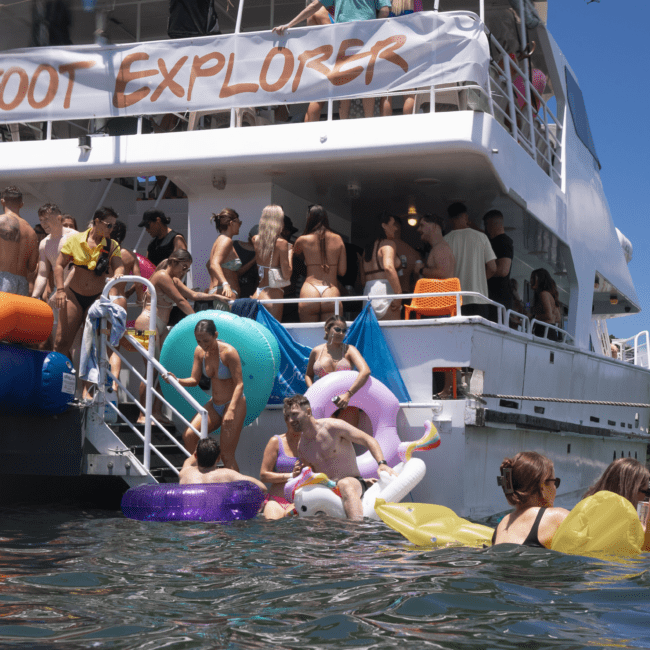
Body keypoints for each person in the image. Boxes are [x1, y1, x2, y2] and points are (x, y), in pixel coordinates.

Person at [272, 0, 391, 122]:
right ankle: (369, 123)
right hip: (367, 38)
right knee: (366, 84)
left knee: (344, 84)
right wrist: (374, 28)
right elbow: (385, 10)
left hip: (343, 39)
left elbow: (314, 6)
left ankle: (343, 126)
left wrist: (289, 25)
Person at [284, 394, 398, 520]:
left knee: (345, 484)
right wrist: (298, 474)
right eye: (288, 416)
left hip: (350, 482)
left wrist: (382, 463)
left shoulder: (333, 427)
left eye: (294, 414)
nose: (290, 420)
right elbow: (312, 475)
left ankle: (357, 533)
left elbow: (368, 440)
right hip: (327, 489)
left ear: (308, 411)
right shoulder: (302, 446)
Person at [133, 250, 214, 424]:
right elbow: (181, 301)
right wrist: (197, 321)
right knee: (151, 370)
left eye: (188, 269)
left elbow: (193, 295)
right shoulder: (162, 275)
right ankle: (142, 414)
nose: (184, 272)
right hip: (147, 322)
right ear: (174, 262)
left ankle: (156, 412)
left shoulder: (174, 280)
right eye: (183, 267)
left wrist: (216, 295)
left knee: (164, 370)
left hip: (159, 326)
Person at [166, 319, 246, 471]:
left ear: (215, 335)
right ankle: (204, 474)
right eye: (198, 340)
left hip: (234, 404)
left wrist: (230, 410)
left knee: (227, 455)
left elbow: (239, 384)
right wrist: (177, 380)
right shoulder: (199, 351)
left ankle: (239, 490)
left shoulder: (229, 352)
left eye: (206, 340)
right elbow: (194, 380)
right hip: (215, 404)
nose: (202, 344)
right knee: (189, 436)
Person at [53, 207, 125, 359]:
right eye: (109, 225)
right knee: (61, 343)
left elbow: (119, 266)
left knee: (91, 347)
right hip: (73, 296)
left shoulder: (111, 245)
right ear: (97, 222)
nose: (111, 229)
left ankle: (88, 383)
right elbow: (59, 265)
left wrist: (117, 275)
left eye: (114, 226)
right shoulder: (75, 240)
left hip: (96, 298)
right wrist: (60, 290)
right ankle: (62, 379)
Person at [492, 451, 569, 548]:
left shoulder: (502, 524)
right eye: (555, 482)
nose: (555, 488)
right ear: (542, 486)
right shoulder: (556, 517)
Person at [305, 315, 370, 426]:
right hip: (323, 400)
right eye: (337, 329)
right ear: (327, 329)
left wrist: (348, 395)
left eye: (344, 331)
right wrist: (313, 391)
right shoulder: (316, 351)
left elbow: (365, 371)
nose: (341, 333)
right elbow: (308, 375)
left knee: (348, 440)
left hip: (347, 401)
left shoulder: (350, 350)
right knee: (327, 440)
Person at [31, 203, 77, 349]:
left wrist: (60, 290)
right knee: (58, 342)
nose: (43, 224)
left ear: (58, 218)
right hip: (60, 294)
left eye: (46, 219)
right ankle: (66, 372)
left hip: (77, 291)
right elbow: (42, 274)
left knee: (77, 342)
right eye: (41, 220)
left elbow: (78, 268)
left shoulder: (75, 237)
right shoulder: (44, 243)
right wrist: (34, 297)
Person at [293, 205, 346, 323]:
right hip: (331, 290)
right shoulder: (338, 239)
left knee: (309, 336)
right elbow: (342, 271)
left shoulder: (302, 240)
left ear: (309, 218)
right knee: (331, 336)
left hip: (309, 289)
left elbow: (295, 256)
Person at [444, 202, 496, 319]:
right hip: (478, 298)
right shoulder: (481, 237)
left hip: (454, 299)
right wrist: (479, 279)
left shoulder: (444, 241)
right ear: (466, 217)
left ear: (450, 219)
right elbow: (492, 268)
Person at [179, 438, 267, 492]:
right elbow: (262, 488)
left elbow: (189, 460)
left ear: (195, 455)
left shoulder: (185, 472)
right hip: (216, 521)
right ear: (218, 458)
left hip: (190, 519)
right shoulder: (227, 474)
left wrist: (201, 449)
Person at [252, 205, 292, 321]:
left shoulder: (255, 239)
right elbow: (286, 275)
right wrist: (290, 253)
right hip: (272, 295)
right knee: (272, 334)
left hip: (258, 293)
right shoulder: (282, 243)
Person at [360, 213, 403, 320]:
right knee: (392, 335)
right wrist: (398, 294)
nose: (395, 228)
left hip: (368, 295)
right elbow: (388, 267)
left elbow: (362, 280)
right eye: (393, 224)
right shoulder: (388, 244)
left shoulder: (367, 250)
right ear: (384, 226)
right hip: (385, 294)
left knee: (372, 335)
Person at [259, 412, 301, 519]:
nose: (295, 421)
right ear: (286, 419)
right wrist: (291, 475)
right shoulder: (276, 441)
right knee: (272, 527)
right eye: (292, 417)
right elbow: (263, 475)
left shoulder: (311, 443)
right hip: (277, 501)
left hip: (301, 501)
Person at [0, 186, 39, 296]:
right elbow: (32, 267)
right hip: (22, 283)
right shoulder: (31, 232)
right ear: (21, 204)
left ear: (2, 202)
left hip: (2, 279)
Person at [583, 458, 650, 511]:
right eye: (647, 492)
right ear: (632, 491)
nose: (646, 499)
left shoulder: (585, 507)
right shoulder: (623, 520)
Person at [207, 208, 243, 305]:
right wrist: (225, 284)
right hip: (224, 293)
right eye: (239, 223)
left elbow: (208, 264)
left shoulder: (220, 239)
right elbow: (214, 264)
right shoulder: (226, 240)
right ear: (231, 223)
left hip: (221, 292)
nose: (240, 225)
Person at [483, 210, 513, 324]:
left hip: (499, 298)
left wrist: (481, 274)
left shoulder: (503, 242)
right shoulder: (495, 241)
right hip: (494, 298)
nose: (486, 229)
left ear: (492, 224)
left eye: (486, 225)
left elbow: (503, 270)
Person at [416, 214, 455, 281]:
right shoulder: (438, 247)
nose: (418, 229)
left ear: (434, 226)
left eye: (422, 225)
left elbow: (443, 272)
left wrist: (421, 270)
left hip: (442, 291)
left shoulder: (440, 248)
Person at [529, 268, 562, 340]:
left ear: (540, 279)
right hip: (550, 332)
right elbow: (558, 318)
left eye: (533, 278)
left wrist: (534, 317)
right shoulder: (549, 295)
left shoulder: (543, 294)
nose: (531, 281)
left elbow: (549, 316)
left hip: (544, 332)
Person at [233, 224, 259, 299]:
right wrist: (255, 259)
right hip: (235, 291)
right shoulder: (236, 246)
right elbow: (237, 273)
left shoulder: (263, 252)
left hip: (251, 293)